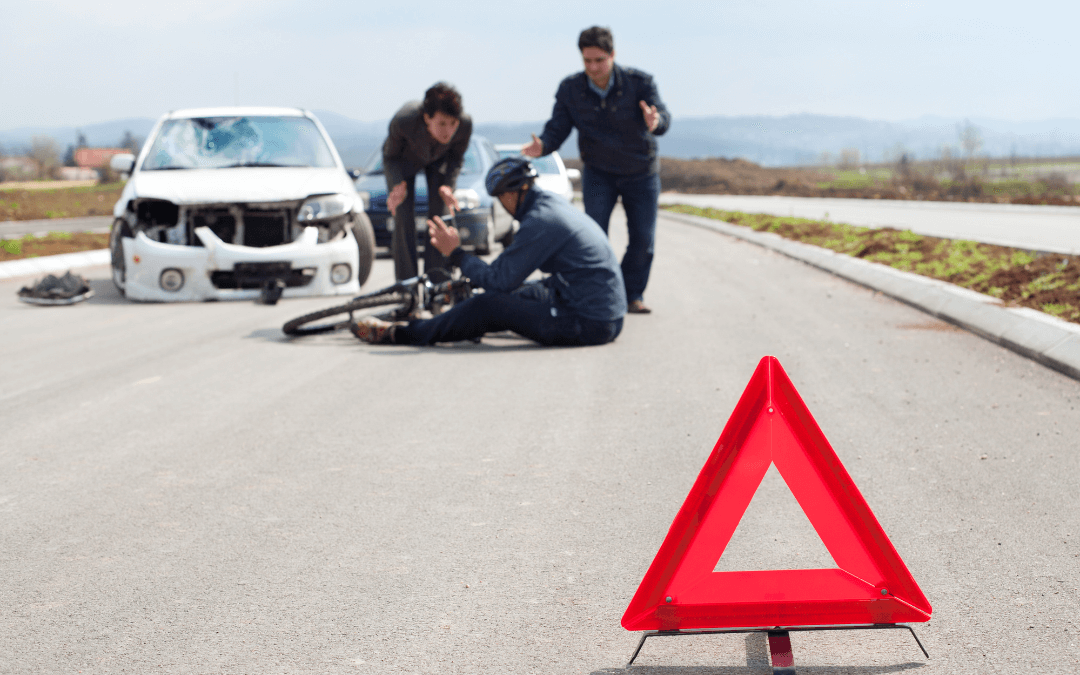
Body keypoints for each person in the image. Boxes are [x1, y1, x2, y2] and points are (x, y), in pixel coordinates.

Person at [350, 157, 627, 347]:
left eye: (501, 199)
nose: (503, 204)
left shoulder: (541, 221)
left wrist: (456, 253)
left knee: (489, 305)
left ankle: (401, 334)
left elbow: (499, 279)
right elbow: (509, 278)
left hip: (590, 321)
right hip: (594, 306)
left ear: (510, 195)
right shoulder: (550, 205)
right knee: (515, 293)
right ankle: (453, 319)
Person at [523, 26, 670, 314]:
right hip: (598, 173)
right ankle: (600, 293)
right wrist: (544, 146)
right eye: (587, 61)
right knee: (593, 238)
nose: (593, 67)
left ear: (613, 55)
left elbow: (663, 116)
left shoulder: (640, 82)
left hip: (640, 171)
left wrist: (656, 122)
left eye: (599, 60)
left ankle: (631, 296)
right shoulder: (570, 89)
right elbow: (558, 128)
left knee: (643, 240)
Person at [382, 82, 473, 280]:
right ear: (426, 118)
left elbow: (456, 159)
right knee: (403, 214)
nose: (448, 131)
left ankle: (438, 284)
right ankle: (408, 287)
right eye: (442, 124)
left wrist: (449, 186)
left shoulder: (465, 125)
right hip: (405, 161)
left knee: (439, 218)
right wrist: (397, 184)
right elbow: (390, 156)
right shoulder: (404, 119)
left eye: (452, 124)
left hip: (439, 163)